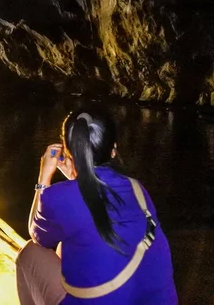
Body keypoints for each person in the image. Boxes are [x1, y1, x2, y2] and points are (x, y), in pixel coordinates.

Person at [16, 108, 177, 304]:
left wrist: (44, 177)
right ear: (113, 149)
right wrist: (78, 178)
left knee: (29, 252)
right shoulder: (138, 190)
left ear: (68, 152)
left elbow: (36, 233)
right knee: (67, 243)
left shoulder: (59, 197)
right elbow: (93, 206)